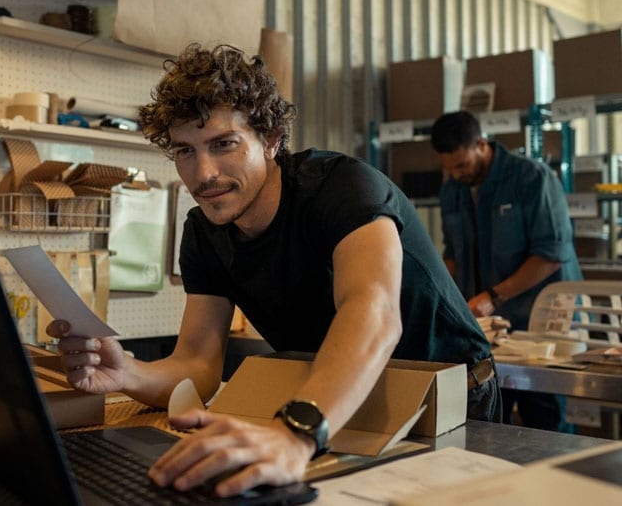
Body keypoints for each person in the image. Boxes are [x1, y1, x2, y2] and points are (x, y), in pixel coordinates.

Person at [47, 45, 498, 498]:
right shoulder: (205, 232)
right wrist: (128, 374)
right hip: (337, 399)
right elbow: (198, 365)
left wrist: (296, 432)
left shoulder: (342, 187)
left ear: (270, 139)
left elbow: (373, 311)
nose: (205, 174)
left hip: (449, 395)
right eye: (186, 151)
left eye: (224, 144)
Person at [430, 111, 582, 433]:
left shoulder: (533, 179)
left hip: (540, 326)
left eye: (462, 166)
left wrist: (493, 297)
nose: (456, 175)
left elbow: (551, 255)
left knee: (545, 424)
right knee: (493, 423)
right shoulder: (452, 190)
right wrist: (438, 296)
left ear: (482, 144)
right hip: (488, 333)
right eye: (449, 169)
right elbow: (454, 255)